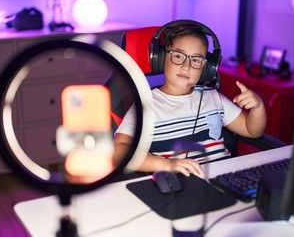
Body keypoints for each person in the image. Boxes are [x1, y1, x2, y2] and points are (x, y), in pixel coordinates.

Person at [113, 23, 266, 178]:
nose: (187, 66)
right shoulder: (145, 106)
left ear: (207, 68)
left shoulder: (213, 97)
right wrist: (167, 165)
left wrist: (258, 107)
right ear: (160, 58)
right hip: (180, 185)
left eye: (197, 60)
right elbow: (119, 151)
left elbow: (252, 130)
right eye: (178, 56)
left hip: (225, 178)